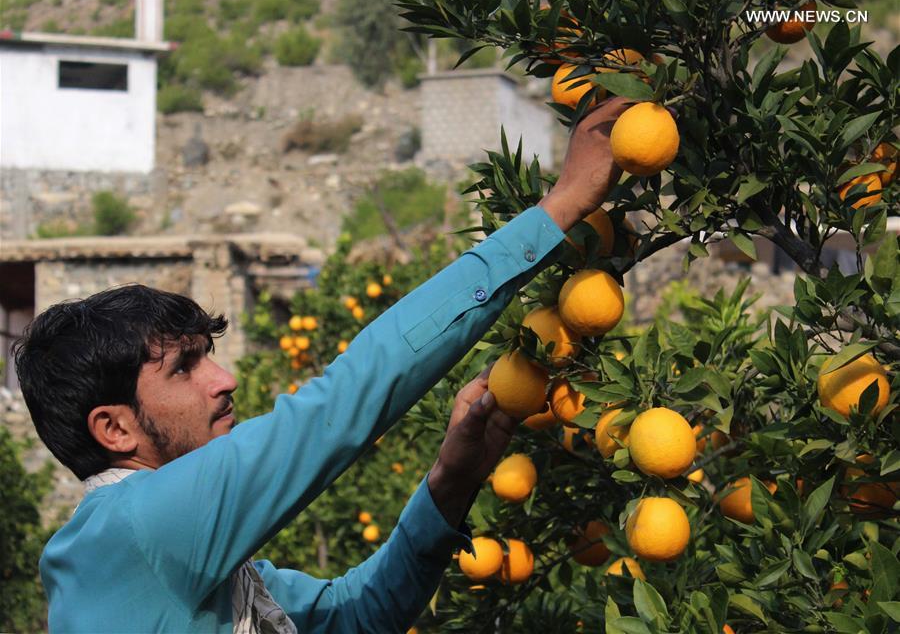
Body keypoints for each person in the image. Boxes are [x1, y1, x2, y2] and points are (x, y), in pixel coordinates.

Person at [12, 97, 629, 633]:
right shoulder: (128, 533)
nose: (224, 381)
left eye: (211, 359)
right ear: (115, 429)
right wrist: (560, 206)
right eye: (184, 368)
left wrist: (451, 479)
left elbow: (361, 616)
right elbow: (338, 405)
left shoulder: (218, 577)